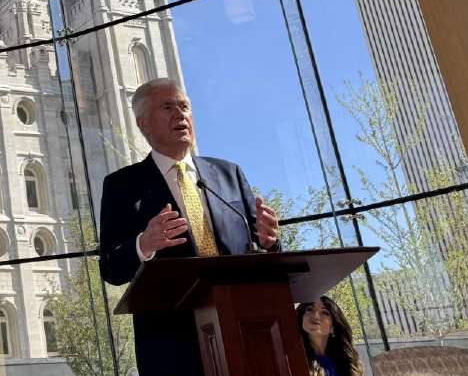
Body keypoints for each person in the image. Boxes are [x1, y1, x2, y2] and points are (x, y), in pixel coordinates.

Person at [98, 77, 280, 376]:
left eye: (184, 107)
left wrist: (270, 241)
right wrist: (145, 244)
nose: (180, 114)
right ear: (143, 123)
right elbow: (111, 268)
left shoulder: (228, 174)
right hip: (172, 346)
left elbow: (258, 245)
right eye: (168, 107)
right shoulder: (122, 186)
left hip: (245, 332)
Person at [296, 296, 363, 376]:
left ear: (333, 326)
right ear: (301, 318)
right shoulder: (293, 359)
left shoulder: (346, 361)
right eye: (310, 309)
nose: (315, 316)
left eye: (324, 312)